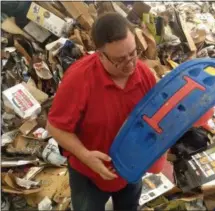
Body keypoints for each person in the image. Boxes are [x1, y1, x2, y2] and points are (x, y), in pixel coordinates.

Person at [47, 12, 165, 211]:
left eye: (133, 53)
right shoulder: (78, 79)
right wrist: (85, 156)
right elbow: (54, 127)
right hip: (89, 174)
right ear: (100, 55)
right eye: (120, 59)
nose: (130, 64)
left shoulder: (144, 74)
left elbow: (153, 120)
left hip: (130, 168)